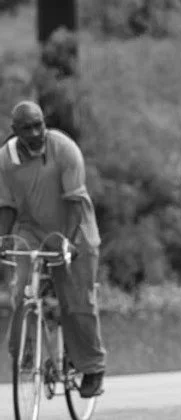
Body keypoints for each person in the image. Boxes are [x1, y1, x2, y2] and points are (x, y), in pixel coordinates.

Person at [0, 100, 106, 398]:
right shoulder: (5, 161)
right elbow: (6, 206)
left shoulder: (64, 149)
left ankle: (93, 367)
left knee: (76, 301)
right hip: (31, 229)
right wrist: (3, 239)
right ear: (14, 131)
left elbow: (74, 200)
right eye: (27, 128)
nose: (35, 133)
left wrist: (67, 242)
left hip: (75, 230)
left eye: (39, 125)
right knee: (21, 291)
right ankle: (27, 354)